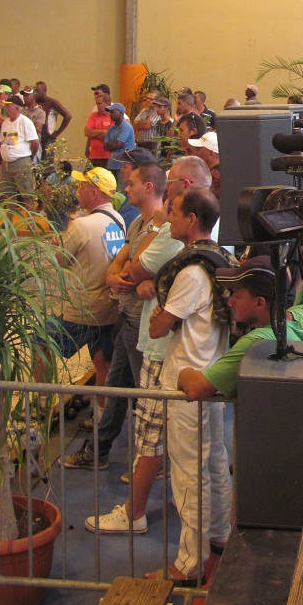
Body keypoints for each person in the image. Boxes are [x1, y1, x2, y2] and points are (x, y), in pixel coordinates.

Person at [83, 158, 213, 536]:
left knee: (151, 436)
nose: (166, 219)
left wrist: (152, 287)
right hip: (164, 352)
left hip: (163, 355)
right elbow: (127, 264)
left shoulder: (185, 257)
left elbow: (146, 292)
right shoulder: (170, 236)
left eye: (173, 212)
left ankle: (135, 514)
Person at [147, 188, 234, 585]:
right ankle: (219, 539)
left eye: (175, 213)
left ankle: (189, 562)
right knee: (214, 463)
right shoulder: (221, 260)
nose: (169, 219)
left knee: (188, 474)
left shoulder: (192, 272)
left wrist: (159, 310)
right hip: (211, 379)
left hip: (186, 384)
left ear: (193, 219)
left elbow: (158, 325)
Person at [64, 163, 167, 470]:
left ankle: (155, 463)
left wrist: (127, 275)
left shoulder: (158, 228)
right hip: (127, 317)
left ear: (148, 188)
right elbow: (120, 267)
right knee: (116, 387)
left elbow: (134, 268)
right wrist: (114, 277)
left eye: (132, 183)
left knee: (145, 399)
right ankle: (100, 451)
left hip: (143, 324)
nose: (126, 188)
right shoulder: (133, 223)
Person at [178, 256, 303, 402]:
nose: (230, 301)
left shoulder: (256, 342)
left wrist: (183, 373)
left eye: (236, 295)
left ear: (259, 303)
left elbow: (196, 388)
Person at [43, 167, 125, 396]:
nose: (78, 191)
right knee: (102, 361)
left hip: (82, 310)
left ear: (94, 192)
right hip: (109, 308)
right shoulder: (119, 219)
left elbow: (60, 260)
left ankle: (42, 402)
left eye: (82, 186)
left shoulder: (81, 225)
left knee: (39, 343)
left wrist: (55, 243)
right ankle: (101, 416)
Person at [0, 93, 39, 208]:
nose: (5, 108)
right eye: (5, 106)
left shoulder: (25, 122)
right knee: (7, 194)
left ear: (16, 108)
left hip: (21, 162)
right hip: (6, 164)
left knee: (27, 194)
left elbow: (35, 142)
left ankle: (29, 223)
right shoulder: (5, 123)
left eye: (8, 106)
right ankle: (9, 222)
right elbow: (3, 141)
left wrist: (29, 158)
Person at [34, 80, 72, 154]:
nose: (35, 93)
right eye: (35, 90)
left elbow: (68, 116)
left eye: (38, 90)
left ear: (44, 90)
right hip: (36, 138)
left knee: (48, 163)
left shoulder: (52, 103)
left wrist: (58, 132)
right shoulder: (34, 102)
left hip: (48, 139)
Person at [103, 103, 136, 184]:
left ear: (121, 113)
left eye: (112, 112)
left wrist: (113, 144)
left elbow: (117, 144)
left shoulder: (126, 127)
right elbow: (105, 147)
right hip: (111, 164)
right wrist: (116, 145)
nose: (110, 114)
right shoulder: (111, 129)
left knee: (121, 192)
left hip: (123, 165)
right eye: (109, 112)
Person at [187, 131, 220, 200]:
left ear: (210, 153)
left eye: (199, 149)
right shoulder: (216, 172)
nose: (195, 153)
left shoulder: (214, 176)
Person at [84, 90, 113, 167]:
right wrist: (103, 131)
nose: (97, 106)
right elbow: (86, 132)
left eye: (99, 104)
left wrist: (93, 134)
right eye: (97, 104)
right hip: (93, 156)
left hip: (107, 157)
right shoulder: (94, 115)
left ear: (107, 104)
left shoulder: (113, 117)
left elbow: (109, 137)